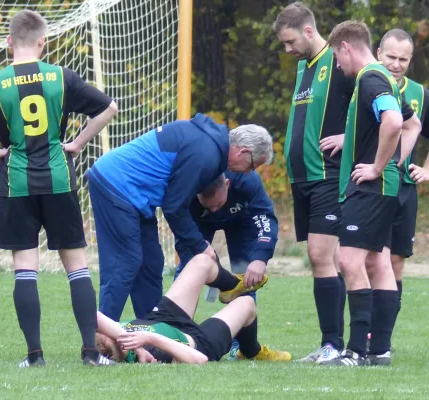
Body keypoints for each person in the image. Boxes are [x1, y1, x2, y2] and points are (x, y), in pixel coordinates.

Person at [0, 10, 118, 367]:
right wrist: (78, 143)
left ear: (9, 42)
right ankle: (90, 353)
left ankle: (35, 356)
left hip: (18, 183)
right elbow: (108, 108)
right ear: (43, 41)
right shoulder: (61, 77)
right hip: (58, 180)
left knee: (26, 268)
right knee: (77, 267)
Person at [85, 117, 273, 323]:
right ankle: (99, 341)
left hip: (137, 197)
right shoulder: (206, 153)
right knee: (126, 261)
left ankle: (152, 334)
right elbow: (174, 207)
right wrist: (201, 246)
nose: (250, 172)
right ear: (243, 152)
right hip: (116, 184)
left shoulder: (211, 146)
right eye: (253, 165)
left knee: (151, 263)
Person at [321, 20, 421, 366]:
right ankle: (379, 351)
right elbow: (413, 124)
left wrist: (379, 166)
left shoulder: (370, 78)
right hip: (384, 188)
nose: (338, 65)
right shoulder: (383, 78)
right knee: (378, 263)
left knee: (348, 260)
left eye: (336, 55)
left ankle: (354, 352)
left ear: (346, 47)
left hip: (370, 187)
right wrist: (395, 161)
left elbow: (395, 122)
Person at [272, 2, 355, 363]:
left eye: (290, 41)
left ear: (308, 31)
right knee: (330, 260)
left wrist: (348, 138)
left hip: (328, 177)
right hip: (302, 179)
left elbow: (381, 106)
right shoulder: (304, 68)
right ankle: (334, 345)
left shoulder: (339, 63)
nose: (287, 49)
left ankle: (333, 344)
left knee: (319, 256)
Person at [372, 29, 429, 324]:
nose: (395, 63)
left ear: (410, 60)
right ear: (378, 53)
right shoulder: (363, 84)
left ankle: (382, 337)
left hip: (403, 190)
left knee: (395, 263)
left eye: (402, 59)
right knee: (363, 261)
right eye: (390, 56)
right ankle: (360, 333)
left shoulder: (420, 95)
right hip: (366, 187)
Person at [94, 253, 292, 363]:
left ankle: (231, 285)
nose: (120, 333)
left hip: (162, 317)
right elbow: (200, 360)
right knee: (247, 303)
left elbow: (93, 316)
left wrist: (128, 339)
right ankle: (251, 352)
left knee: (202, 261)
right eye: (120, 340)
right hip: (197, 341)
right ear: (120, 350)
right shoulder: (149, 355)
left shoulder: (111, 337)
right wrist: (149, 339)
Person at [174, 171, 278, 358]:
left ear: (228, 184)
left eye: (218, 204)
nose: (215, 210)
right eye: (209, 206)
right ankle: (175, 335)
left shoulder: (246, 180)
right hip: (198, 222)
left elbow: (265, 216)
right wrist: (197, 246)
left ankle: (241, 347)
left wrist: (261, 257)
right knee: (187, 270)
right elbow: (178, 222)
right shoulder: (186, 184)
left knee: (246, 276)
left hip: (241, 220)